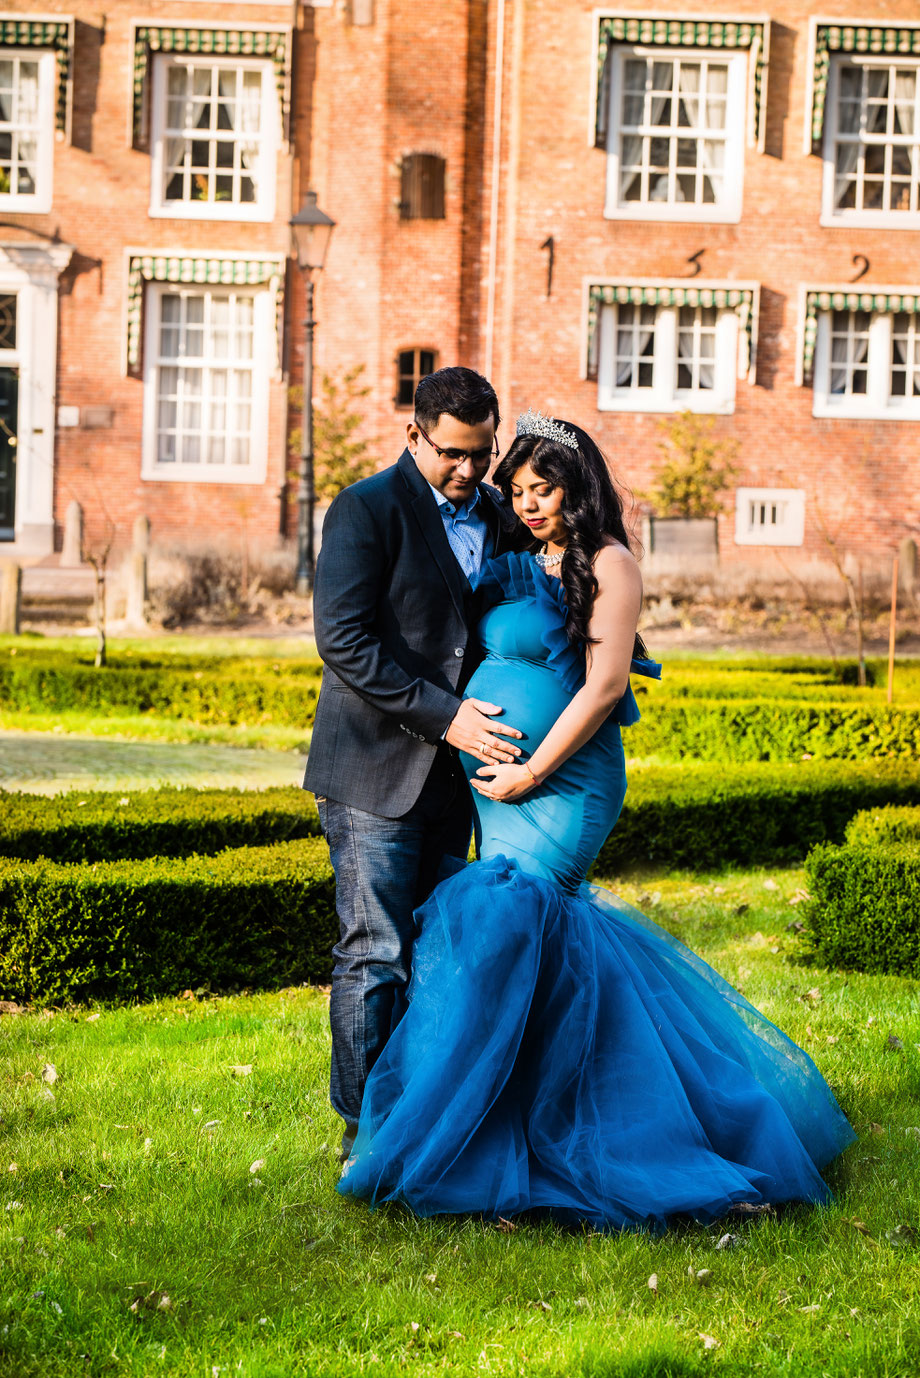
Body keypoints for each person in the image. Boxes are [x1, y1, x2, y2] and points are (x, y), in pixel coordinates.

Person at [336, 411, 856, 1230]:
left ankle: (605, 1135)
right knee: (514, 946)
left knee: (518, 922)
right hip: (493, 788)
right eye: (519, 489)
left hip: (561, 786)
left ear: (579, 490)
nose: (529, 502)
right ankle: (490, 1127)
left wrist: (531, 769)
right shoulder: (514, 559)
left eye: (544, 489)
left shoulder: (610, 563)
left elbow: (606, 687)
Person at [306, 366, 528, 1164]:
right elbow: (345, 643)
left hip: (461, 784)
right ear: (414, 435)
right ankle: (362, 1133)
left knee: (438, 954)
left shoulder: (500, 515)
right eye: (452, 455)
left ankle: (422, 1117)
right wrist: (449, 718)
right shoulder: (366, 509)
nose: (469, 472)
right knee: (376, 953)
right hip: (373, 772)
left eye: (481, 454)